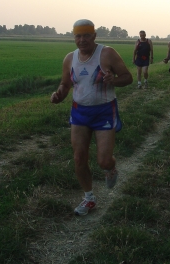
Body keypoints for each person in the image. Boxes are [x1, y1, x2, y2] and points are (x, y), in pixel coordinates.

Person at [50, 19, 133, 216]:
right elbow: (65, 84)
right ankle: (89, 198)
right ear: (74, 37)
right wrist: (59, 94)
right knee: (79, 157)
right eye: (78, 36)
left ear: (94, 36)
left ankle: (110, 168)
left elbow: (127, 77)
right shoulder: (70, 58)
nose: (82, 40)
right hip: (79, 113)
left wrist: (114, 80)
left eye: (86, 35)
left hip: (104, 111)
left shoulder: (107, 53)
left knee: (103, 160)